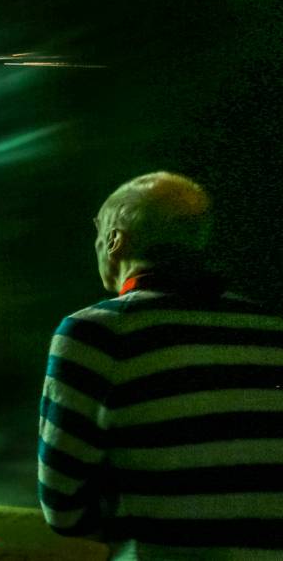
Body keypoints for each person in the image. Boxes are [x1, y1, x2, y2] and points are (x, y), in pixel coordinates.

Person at [38, 172, 283, 559]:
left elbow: (63, 507)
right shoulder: (271, 329)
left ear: (115, 240)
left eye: (99, 235)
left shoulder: (96, 335)